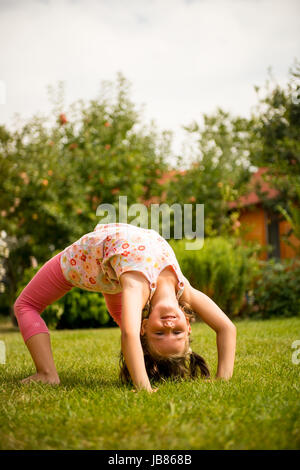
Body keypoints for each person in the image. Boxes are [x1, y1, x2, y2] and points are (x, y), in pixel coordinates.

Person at [14, 222, 236, 392]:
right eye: (176, 331)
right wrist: (223, 380)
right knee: (125, 319)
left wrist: (144, 388)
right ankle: (150, 365)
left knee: (25, 305)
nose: (169, 324)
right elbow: (227, 328)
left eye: (160, 332)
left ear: (145, 325)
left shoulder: (137, 286)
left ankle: (47, 374)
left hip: (84, 262)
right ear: (187, 324)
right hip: (112, 258)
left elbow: (130, 333)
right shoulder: (182, 289)